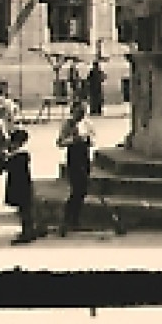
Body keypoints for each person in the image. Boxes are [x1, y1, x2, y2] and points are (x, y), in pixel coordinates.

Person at [56, 100, 95, 236]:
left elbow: (93, 140)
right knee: (77, 189)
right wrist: (73, 139)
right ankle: (67, 220)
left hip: (84, 157)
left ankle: (75, 219)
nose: (81, 115)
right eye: (79, 112)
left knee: (83, 190)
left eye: (83, 112)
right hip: (74, 158)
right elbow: (60, 142)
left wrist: (88, 140)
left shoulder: (87, 123)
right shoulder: (68, 124)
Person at [2, 128, 36, 244]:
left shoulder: (19, 155)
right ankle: (28, 230)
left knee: (24, 210)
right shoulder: (21, 154)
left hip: (19, 185)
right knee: (25, 209)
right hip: (23, 184)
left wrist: (4, 157)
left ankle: (27, 232)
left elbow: (6, 166)